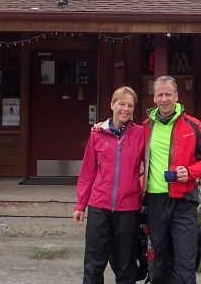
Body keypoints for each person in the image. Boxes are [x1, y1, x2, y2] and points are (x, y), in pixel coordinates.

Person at [142, 75, 201, 284]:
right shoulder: (146, 127)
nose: (164, 99)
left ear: (176, 96)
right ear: (154, 98)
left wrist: (190, 172)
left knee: (185, 262)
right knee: (161, 261)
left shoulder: (193, 125)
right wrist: (102, 125)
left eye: (168, 94)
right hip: (155, 201)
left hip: (183, 201)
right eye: (160, 95)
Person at [74, 86, 145, 284]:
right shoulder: (98, 134)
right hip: (99, 206)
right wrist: (81, 204)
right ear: (112, 104)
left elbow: (149, 167)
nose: (125, 109)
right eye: (121, 104)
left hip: (129, 208)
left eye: (130, 105)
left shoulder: (141, 133)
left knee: (126, 265)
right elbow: (88, 172)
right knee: (94, 264)